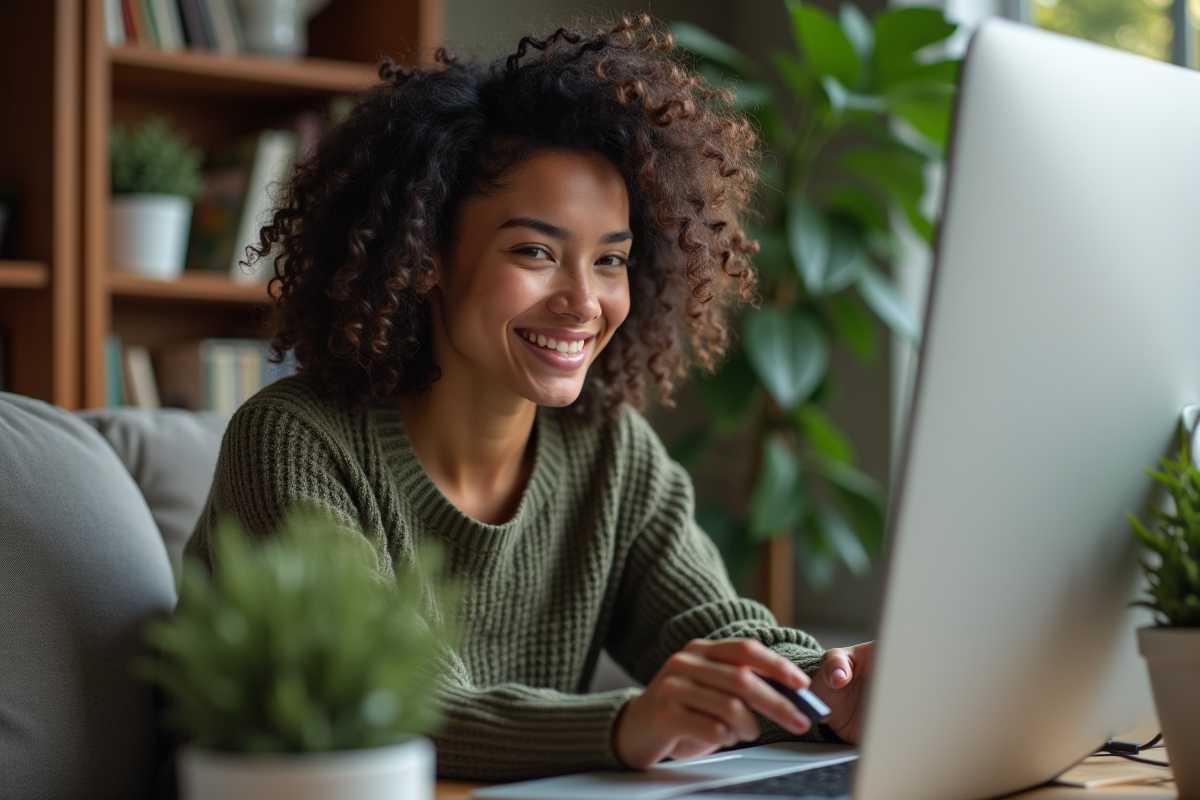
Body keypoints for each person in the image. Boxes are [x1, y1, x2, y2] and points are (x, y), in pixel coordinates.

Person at [186, 14, 873, 782]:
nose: (583, 301)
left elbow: (710, 627)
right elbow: (378, 705)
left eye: (610, 261)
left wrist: (829, 686)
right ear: (426, 256)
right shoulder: (294, 441)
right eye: (536, 252)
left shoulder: (609, 450)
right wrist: (626, 725)